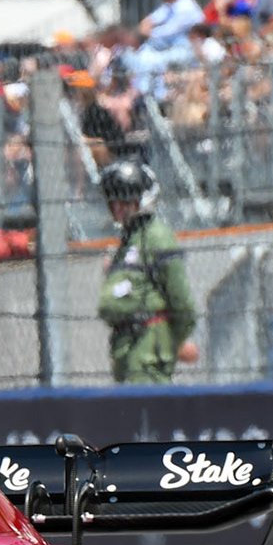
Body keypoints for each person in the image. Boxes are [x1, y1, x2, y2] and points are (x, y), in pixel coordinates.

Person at [95, 160, 198, 384]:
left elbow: (183, 304)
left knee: (146, 416)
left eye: (126, 200)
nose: (119, 207)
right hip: (126, 349)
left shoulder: (156, 236)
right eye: (114, 201)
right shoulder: (128, 241)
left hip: (148, 351)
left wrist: (170, 341)